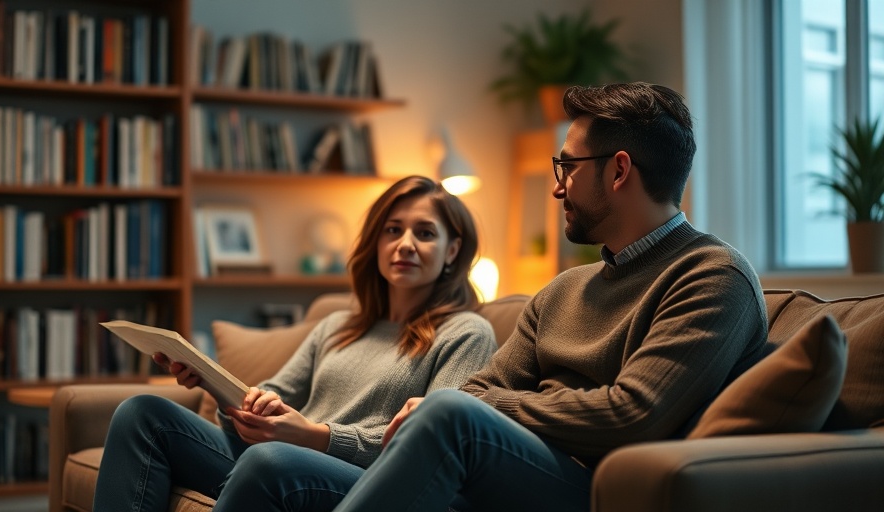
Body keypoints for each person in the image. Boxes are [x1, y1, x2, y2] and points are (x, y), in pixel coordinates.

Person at [333, 82, 770, 512]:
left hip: (588, 488)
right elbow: (482, 387)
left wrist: (482, 407)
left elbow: (632, 415)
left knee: (450, 413)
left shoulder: (713, 277)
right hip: (498, 469)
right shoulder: (564, 289)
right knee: (276, 463)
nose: (558, 188)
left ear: (619, 171)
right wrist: (481, 404)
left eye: (569, 167)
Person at [92, 175, 498, 512]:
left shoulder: (465, 332)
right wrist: (219, 389)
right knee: (143, 414)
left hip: (370, 484)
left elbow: (432, 451)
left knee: (271, 459)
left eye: (425, 233)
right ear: (376, 242)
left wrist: (314, 435)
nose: (405, 243)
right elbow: (272, 396)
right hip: (282, 461)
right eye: (393, 230)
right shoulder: (337, 325)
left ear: (453, 250)